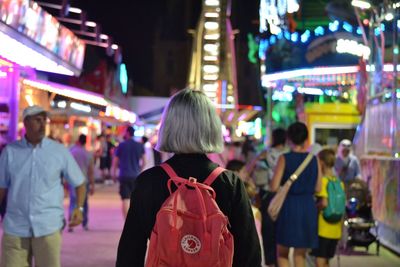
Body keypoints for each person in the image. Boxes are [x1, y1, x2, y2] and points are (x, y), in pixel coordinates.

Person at [116, 89, 261, 267]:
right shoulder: (230, 183)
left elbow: (130, 251)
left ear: (168, 126)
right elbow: (249, 253)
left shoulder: (149, 181)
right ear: (211, 127)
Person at [0, 105, 86, 267]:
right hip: (15, 227)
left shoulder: (59, 151)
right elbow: (1, 187)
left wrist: (79, 209)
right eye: (37, 120)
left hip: (48, 226)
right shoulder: (10, 152)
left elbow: (79, 182)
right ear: (25, 123)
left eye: (44, 120)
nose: (42, 125)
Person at [270, 121, 321, 267]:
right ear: (306, 139)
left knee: (282, 253)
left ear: (288, 139)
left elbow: (274, 187)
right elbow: (318, 188)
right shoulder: (314, 159)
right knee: (300, 254)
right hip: (307, 207)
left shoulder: (284, 158)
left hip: (288, 207)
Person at [257, 127, 287, 267]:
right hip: (284, 195)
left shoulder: (266, 153)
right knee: (281, 229)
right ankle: (281, 258)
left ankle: (270, 261)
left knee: (268, 230)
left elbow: (252, 168)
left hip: (268, 194)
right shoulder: (288, 154)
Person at [310, 148, 344, 267]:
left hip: (323, 228)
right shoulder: (339, 183)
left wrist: (315, 208)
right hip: (335, 229)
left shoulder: (323, 181)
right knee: (326, 261)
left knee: (319, 260)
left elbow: (323, 203)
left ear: (321, 163)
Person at [112, 126, 146, 218]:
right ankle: (134, 221)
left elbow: (115, 162)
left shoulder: (121, 145)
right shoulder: (139, 145)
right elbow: (144, 161)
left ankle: (126, 222)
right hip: (136, 176)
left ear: (127, 133)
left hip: (124, 175)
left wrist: (114, 174)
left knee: (125, 199)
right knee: (135, 199)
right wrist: (139, 170)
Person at [68, 134, 95, 232]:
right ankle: (84, 223)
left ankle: (71, 223)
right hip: (84, 181)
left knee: (73, 202)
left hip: (72, 181)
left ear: (78, 140)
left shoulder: (71, 152)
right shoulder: (88, 154)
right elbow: (91, 171)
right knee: (84, 203)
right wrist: (92, 185)